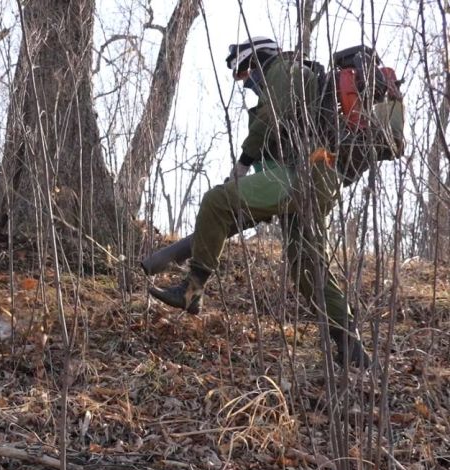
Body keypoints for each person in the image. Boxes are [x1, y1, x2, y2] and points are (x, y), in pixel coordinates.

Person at [148, 37, 371, 368]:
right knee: (307, 268)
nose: (245, 83)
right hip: (316, 180)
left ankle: (191, 290)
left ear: (256, 61)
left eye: (242, 74)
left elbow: (270, 118)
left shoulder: (284, 70)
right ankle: (352, 349)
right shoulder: (299, 76)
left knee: (215, 202)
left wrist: (242, 164)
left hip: (296, 176)